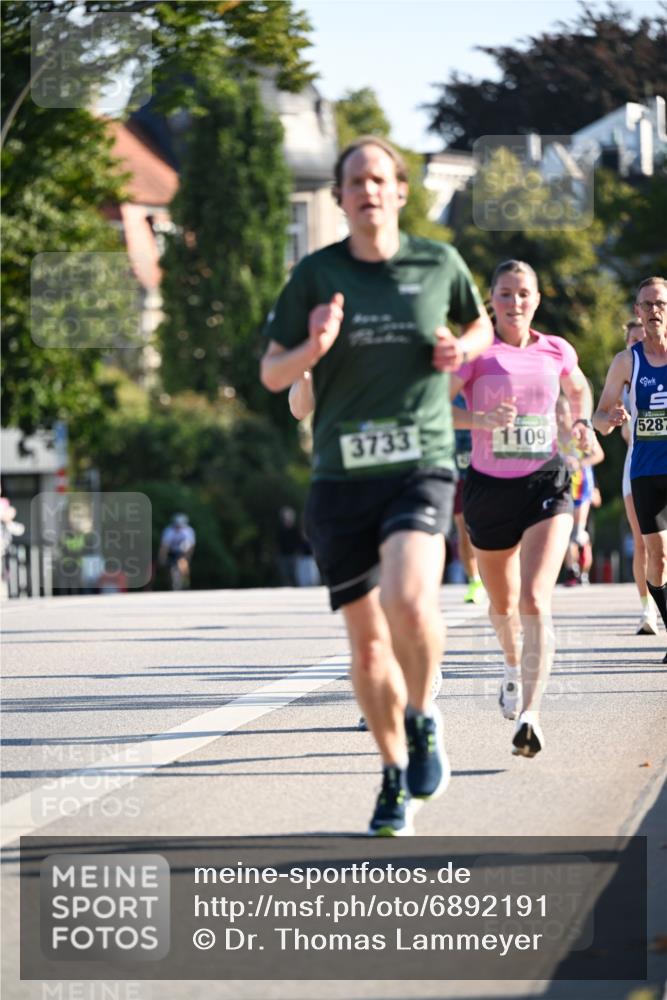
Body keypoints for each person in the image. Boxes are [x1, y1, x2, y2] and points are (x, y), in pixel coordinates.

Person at [261, 135, 493, 835]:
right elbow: (274, 374)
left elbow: (478, 324)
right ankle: (394, 772)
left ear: (397, 191)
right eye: (353, 181)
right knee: (365, 650)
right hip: (339, 479)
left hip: (418, 463)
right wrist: (314, 348)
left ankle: (422, 720)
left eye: (378, 179)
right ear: (339, 198)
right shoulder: (313, 275)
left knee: (409, 599)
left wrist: (465, 348)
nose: (366, 191)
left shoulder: (437, 262)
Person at [450, 260, 595, 757]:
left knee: (535, 598)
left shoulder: (557, 349)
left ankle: (531, 716)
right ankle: (512, 666)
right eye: (506, 294)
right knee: (503, 606)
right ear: (491, 299)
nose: (516, 303)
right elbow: (434, 406)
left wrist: (581, 424)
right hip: (488, 491)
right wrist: (480, 419)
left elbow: (578, 389)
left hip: (546, 483)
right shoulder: (476, 352)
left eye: (524, 294)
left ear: (536, 299)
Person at [594, 276, 667, 662]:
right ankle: (659, 613)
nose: (654, 311)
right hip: (644, 469)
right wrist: (610, 417)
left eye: (661, 303)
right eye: (647, 305)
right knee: (657, 556)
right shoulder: (627, 361)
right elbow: (599, 417)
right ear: (637, 311)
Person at [620, 318, 658, 633]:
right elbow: (619, 429)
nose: (638, 343)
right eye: (632, 339)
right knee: (643, 543)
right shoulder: (624, 376)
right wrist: (624, 419)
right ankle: (648, 611)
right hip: (637, 466)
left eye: (640, 338)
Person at [557, 395, 605, 586]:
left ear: (571, 413)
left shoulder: (580, 432)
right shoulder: (552, 436)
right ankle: (572, 570)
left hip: (582, 487)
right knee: (565, 532)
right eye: (556, 413)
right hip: (562, 488)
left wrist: (578, 463)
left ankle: (583, 558)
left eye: (563, 413)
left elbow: (599, 455)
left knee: (576, 532)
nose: (559, 418)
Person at [452, 394, 486, 604]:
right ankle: (475, 582)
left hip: (486, 464)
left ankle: (497, 576)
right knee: (463, 529)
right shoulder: (446, 385)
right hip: (456, 466)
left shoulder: (485, 380)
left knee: (492, 525)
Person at [158, 513, 196, 590]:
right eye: (177, 525)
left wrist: (186, 558)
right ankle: (172, 584)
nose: (178, 527)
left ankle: (186, 582)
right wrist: (162, 557)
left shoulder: (188, 531)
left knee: (183, 564)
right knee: (169, 567)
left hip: (183, 551)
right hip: (171, 551)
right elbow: (164, 546)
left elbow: (191, 547)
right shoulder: (169, 531)